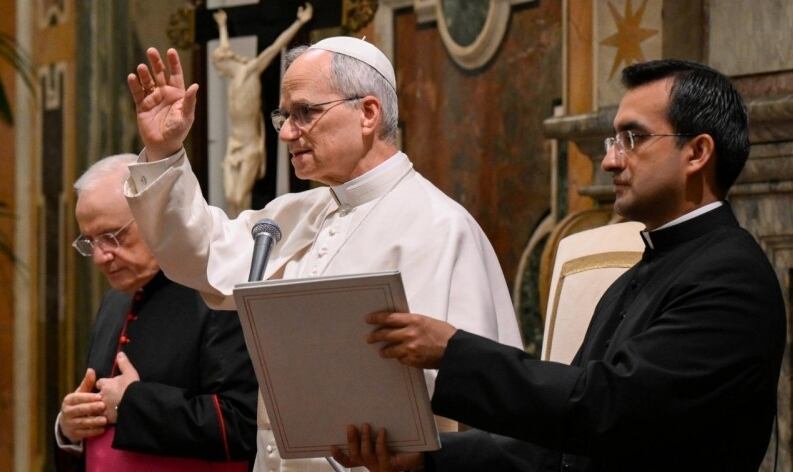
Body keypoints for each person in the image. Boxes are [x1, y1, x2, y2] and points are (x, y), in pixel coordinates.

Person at [334, 59, 787, 471]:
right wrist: (423, 462)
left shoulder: (730, 277)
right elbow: (560, 446)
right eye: (613, 141)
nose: (610, 160)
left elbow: (607, 410)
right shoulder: (642, 272)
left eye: (632, 138)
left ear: (697, 152)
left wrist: (454, 352)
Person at [123, 37, 523, 472]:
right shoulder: (293, 214)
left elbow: (481, 397)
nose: (287, 132)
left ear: (368, 113)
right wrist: (164, 153)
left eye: (305, 112)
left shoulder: (442, 227)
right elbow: (200, 254)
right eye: (284, 116)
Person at [56, 154, 258, 471]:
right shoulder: (114, 301)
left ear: (156, 218)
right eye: (90, 241)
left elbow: (241, 423)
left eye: (113, 236)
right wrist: (68, 429)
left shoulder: (216, 292)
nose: (100, 256)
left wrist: (132, 403)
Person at [211, 4, 313, 216]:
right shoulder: (233, 76)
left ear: (226, 62)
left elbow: (276, 47)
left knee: (240, 197)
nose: (218, 70)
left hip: (249, 143)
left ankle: (246, 238)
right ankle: (234, 238)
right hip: (234, 143)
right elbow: (224, 47)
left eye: (219, 65)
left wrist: (300, 22)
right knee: (230, 196)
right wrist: (222, 25)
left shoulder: (251, 70)